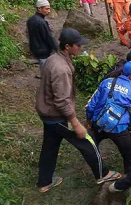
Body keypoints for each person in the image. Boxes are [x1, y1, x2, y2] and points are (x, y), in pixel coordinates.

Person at [35, 28, 121, 193]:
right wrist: (75, 122)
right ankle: (102, 173)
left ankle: (44, 182)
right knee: (87, 141)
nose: (80, 48)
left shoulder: (54, 58)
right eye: (78, 45)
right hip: (56, 115)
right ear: (68, 46)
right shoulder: (61, 69)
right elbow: (61, 100)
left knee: (49, 147)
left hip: (47, 112)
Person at [86, 61, 131, 174]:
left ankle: (100, 169)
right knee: (129, 155)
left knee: (92, 145)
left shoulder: (107, 82)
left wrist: (89, 120)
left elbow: (91, 105)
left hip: (98, 122)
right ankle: (127, 179)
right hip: (119, 128)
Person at [26, 0, 58, 76]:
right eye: (46, 9)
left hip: (35, 47)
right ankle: (45, 85)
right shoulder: (42, 22)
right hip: (43, 50)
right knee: (46, 71)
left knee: (43, 67)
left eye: (49, 9)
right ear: (39, 9)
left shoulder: (30, 20)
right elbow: (48, 37)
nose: (49, 11)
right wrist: (57, 49)